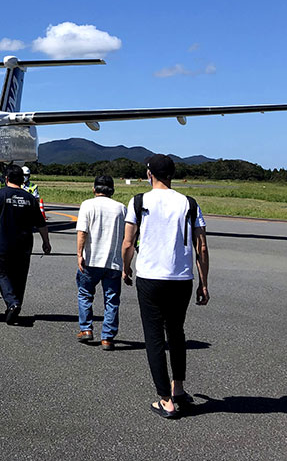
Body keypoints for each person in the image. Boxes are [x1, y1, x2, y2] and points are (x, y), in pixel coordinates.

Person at [122, 154, 210, 419]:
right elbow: (201, 247)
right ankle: (178, 388)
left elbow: (128, 242)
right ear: (172, 174)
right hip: (181, 279)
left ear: (150, 174)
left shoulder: (138, 201)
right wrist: (204, 283)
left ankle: (165, 400)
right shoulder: (189, 204)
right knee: (176, 333)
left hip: (150, 277)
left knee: (154, 337)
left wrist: (126, 268)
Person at [0, 164, 51, 324]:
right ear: (21, 179)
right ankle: (15, 307)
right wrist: (46, 242)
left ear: (6, 178)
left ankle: (12, 303)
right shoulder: (30, 198)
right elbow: (41, 223)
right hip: (24, 245)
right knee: (20, 276)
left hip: (3, 244)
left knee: (1, 273)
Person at [75, 175, 126, 349]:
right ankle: (108, 338)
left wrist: (79, 254)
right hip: (113, 261)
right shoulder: (121, 208)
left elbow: (82, 231)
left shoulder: (87, 205)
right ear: (112, 190)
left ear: (94, 189)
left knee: (85, 294)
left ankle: (86, 329)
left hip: (91, 259)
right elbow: (127, 238)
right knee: (112, 299)